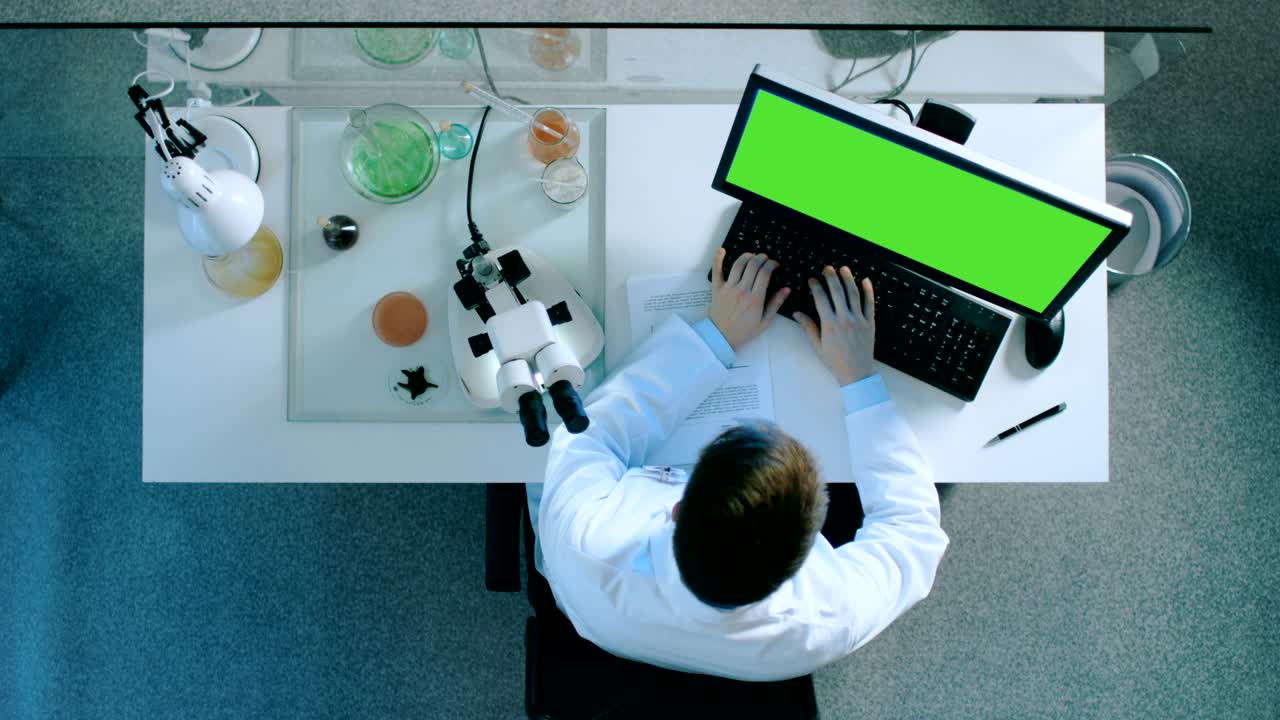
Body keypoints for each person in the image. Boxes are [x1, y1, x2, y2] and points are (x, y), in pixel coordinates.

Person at [527, 249, 949, 682]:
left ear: (676, 508)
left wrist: (716, 336)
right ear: (806, 552)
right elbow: (913, 534)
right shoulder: (827, 618)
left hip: (592, 604)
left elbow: (589, 434)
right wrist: (858, 377)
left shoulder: (585, 536)